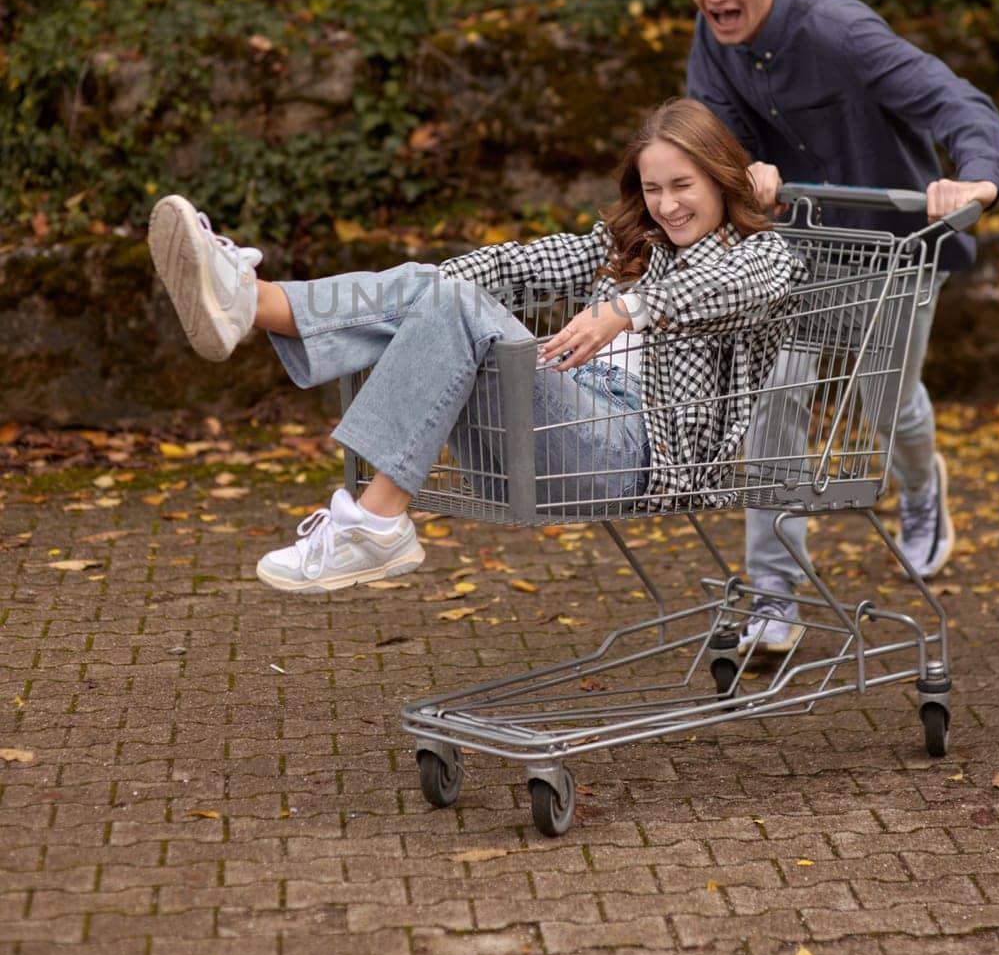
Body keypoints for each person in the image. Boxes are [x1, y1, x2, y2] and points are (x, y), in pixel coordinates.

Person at [148, 99, 808, 593]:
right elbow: (521, 266)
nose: (665, 205)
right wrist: (423, 299)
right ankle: (250, 300)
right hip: (560, 420)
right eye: (652, 188)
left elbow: (728, 291)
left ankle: (374, 522)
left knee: (448, 300)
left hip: (636, 454)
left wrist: (624, 310)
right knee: (438, 287)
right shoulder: (631, 247)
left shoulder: (763, 256)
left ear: (723, 179)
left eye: (683, 186)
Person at [683, 0, 999, 649]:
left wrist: (978, 179)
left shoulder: (839, 29)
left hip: (892, 251)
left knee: (885, 404)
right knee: (775, 397)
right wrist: (742, 168)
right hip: (791, 251)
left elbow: (956, 105)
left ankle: (924, 490)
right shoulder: (712, 38)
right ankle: (774, 597)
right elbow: (713, 133)